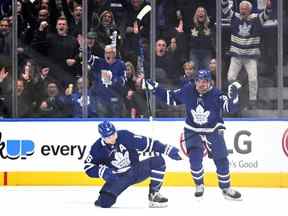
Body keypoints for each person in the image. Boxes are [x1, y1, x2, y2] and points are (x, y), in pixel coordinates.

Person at [143, 69, 242, 200]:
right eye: (199, 81)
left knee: (221, 158)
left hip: (213, 129)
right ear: (195, 81)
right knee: (195, 160)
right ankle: (199, 185)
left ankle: (226, 188)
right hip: (193, 129)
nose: (201, 84)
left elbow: (229, 108)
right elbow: (171, 98)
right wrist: (155, 88)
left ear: (210, 82)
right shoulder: (188, 90)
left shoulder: (217, 94)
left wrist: (234, 98)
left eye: (205, 81)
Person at [84, 120, 183, 208]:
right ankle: (103, 199)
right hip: (117, 178)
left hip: (135, 170)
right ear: (102, 137)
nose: (112, 138)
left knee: (158, 161)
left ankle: (154, 194)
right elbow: (88, 167)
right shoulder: (97, 148)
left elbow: (147, 143)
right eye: (109, 137)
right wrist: (102, 172)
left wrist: (166, 149)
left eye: (113, 134)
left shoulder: (125, 136)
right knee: (105, 203)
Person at [222, 0, 272, 109]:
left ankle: (252, 101)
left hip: (251, 56)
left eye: (245, 9)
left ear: (249, 10)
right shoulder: (235, 17)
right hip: (236, 55)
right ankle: (234, 97)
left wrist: (268, 7)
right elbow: (225, 10)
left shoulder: (256, 18)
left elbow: (266, 14)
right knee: (230, 77)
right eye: (241, 8)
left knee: (253, 79)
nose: (243, 11)